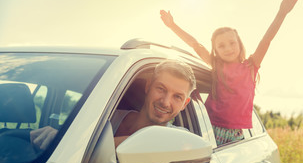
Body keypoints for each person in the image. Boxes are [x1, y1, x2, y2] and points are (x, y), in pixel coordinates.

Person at [160, 0, 298, 145]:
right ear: (216, 50)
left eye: (232, 43)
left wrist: (282, 13)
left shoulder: (251, 67)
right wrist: (172, 25)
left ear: (239, 44)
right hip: (209, 128)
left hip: (236, 135)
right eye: (221, 45)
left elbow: (267, 39)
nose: (228, 48)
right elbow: (195, 44)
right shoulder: (217, 66)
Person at [31, 59, 196, 149]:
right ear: (148, 86)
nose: (166, 102)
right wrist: (58, 136)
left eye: (177, 97)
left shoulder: (178, 138)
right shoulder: (105, 116)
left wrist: (68, 144)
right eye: (161, 89)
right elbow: (76, 135)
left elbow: (152, 141)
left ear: (184, 104)